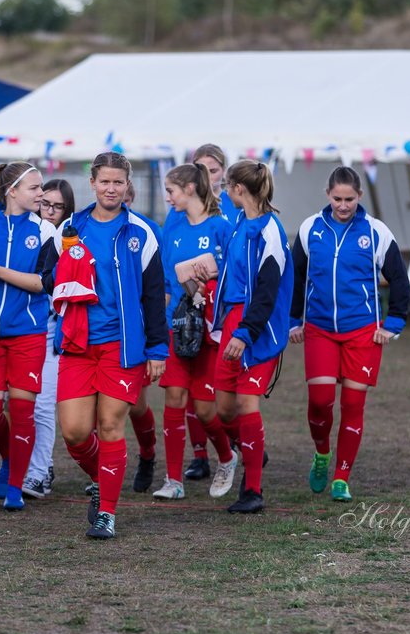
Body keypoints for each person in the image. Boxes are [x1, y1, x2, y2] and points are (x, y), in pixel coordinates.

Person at [55, 152, 167, 539]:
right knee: (74, 432)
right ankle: (104, 478)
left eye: (118, 182)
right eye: (105, 181)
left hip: (122, 346)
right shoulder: (71, 228)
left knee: (110, 424)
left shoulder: (143, 231)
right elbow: (53, 279)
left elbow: (154, 295)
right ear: (92, 182)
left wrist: (157, 350)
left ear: (127, 185)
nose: (111, 188)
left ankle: (107, 513)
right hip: (77, 345)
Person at [289, 166, 410, 503]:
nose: (343, 205)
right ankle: (322, 453)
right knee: (320, 402)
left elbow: (399, 279)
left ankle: (341, 476)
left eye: (350, 199)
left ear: (360, 196)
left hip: (363, 333)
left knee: (353, 403)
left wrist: (394, 323)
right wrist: (291, 321)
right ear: (327, 195)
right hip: (319, 329)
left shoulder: (376, 232)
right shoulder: (310, 228)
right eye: (337, 199)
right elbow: (296, 276)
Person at [0, 162, 59, 510]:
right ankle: (11, 457)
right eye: (35, 188)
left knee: (22, 411)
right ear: (11, 191)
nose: (42, 194)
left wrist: (1, 272)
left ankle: (16, 489)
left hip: (28, 335)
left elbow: (44, 283)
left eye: (42, 187)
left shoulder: (47, 233)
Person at [153, 161, 237, 500]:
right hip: (179, 327)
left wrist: (209, 287)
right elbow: (168, 287)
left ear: (189, 189)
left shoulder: (222, 227)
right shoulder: (173, 229)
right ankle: (173, 481)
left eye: (171, 191)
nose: (168, 198)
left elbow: (235, 279)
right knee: (173, 398)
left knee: (205, 410)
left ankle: (227, 458)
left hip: (209, 333)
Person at [213, 160, 293, 514]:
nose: (225, 193)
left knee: (247, 404)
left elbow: (266, 290)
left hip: (257, 329)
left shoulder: (270, 230)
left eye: (227, 187)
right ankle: (253, 447)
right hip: (233, 321)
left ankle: (253, 489)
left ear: (238, 189)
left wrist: (247, 333)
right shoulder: (238, 223)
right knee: (223, 409)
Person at [23, 178, 75, 499]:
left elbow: (51, 284)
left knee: (43, 405)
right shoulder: (29, 233)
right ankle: (39, 465)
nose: (51, 212)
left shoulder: (69, 236)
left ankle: (39, 474)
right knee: (20, 406)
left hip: (57, 334)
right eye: (46, 204)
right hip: (23, 328)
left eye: (58, 206)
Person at [121, 180, 162, 492]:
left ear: (130, 196)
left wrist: (153, 338)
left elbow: (157, 290)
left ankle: (147, 454)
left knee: (134, 405)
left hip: (136, 332)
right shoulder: (85, 226)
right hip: (101, 333)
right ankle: (100, 470)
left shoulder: (146, 231)